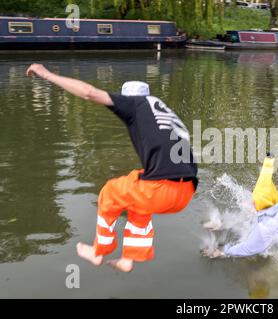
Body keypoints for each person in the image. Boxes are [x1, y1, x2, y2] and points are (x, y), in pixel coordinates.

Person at [26, 64, 198, 272]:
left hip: (163, 190)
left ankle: (99, 251)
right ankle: (129, 258)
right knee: (137, 187)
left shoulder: (134, 105)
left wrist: (47, 75)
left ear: (126, 98)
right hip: (184, 193)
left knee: (110, 192)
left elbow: (89, 93)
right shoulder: (163, 112)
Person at [203, 155, 278, 258]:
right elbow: (265, 179)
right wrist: (268, 161)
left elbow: (248, 248)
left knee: (274, 267)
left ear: (259, 205)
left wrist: (223, 251)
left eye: (253, 200)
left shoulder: (266, 228)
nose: (250, 200)